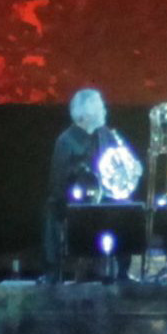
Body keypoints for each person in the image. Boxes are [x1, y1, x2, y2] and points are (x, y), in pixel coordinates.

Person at [44, 88, 125, 282]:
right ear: (86, 112)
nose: (105, 109)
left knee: (126, 212)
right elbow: (58, 187)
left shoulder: (106, 135)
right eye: (100, 105)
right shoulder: (66, 141)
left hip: (103, 205)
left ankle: (119, 273)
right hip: (75, 209)